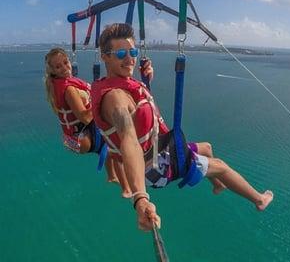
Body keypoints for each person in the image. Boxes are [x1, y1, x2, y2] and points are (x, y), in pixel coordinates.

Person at [91, 23, 273, 231]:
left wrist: (146, 78)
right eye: (121, 53)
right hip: (155, 168)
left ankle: (217, 184)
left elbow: (139, 104)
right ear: (105, 56)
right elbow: (129, 141)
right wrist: (140, 197)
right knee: (221, 166)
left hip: (158, 148)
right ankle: (259, 200)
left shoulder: (116, 83)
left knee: (206, 147)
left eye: (132, 51)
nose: (130, 58)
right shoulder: (115, 99)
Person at [44, 47, 132, 197]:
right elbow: (85, 117)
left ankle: (112, 176)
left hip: (70, 138)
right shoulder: (69, 90)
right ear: (52, 70)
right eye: (59, 66)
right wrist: (99, 100)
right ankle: (127, 188)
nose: (65, 68)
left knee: (108, 143)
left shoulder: (55, 83)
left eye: (66, 62)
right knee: (115, 142)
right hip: (81, 139)